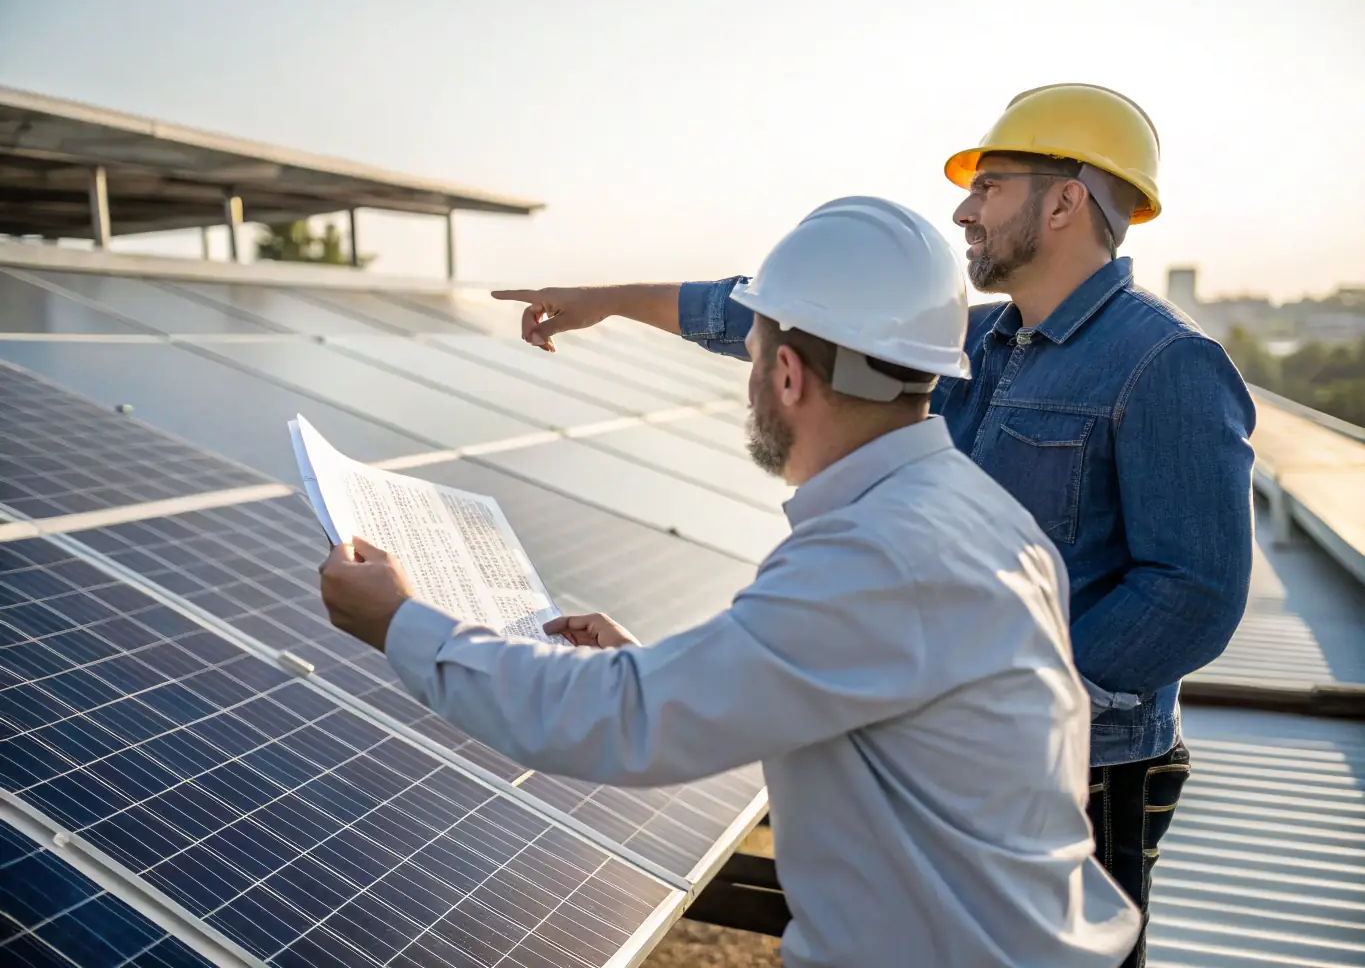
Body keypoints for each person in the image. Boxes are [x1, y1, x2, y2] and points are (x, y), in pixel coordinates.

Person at [489, 84, 1257, 968]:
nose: (964, 209)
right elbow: (793, 320)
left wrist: (1003, 696)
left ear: (1065, 200)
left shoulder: (1165, 364)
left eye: (990, 185)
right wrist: (609, 300)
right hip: (953, 741)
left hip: (1084, 767)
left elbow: (1192, 593)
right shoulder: (981, 339)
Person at [320, 197, 1141, 968]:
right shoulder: (971, 513)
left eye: (749, 359)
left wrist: (399, 621)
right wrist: (674, 667)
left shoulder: (876, 555)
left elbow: (621, 721)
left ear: (785, 374)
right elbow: (876, 713)